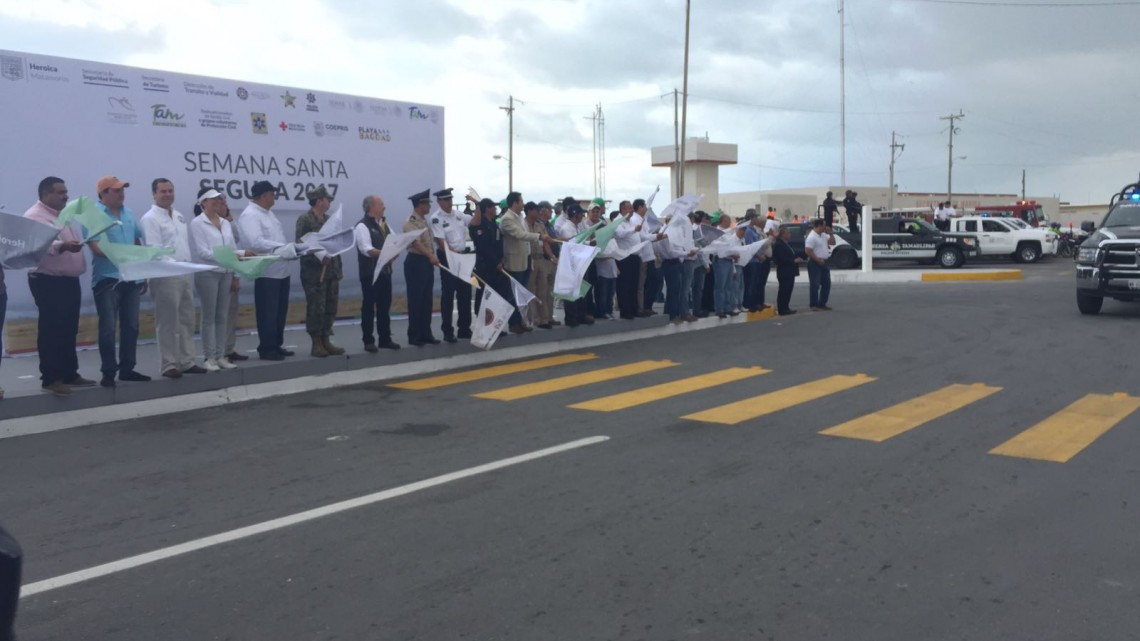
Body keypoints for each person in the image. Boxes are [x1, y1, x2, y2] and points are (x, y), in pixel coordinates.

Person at [24, 177, 94, 396]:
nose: (66, 195)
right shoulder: (34, 216)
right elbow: (38, 245)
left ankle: (69, 373)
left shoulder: (62, 215)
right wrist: (63, 246)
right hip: (48, 281)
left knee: (68, 327)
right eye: (60, 192)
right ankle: (51, 378)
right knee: (52, 329)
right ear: (46, 194)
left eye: (66, 191)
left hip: (67, 280)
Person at [140, 178, 206, 378]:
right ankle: (169, 364)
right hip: (165, 275)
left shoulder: (178, 216)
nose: (168, 194)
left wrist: (184, 265)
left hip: (184, 273)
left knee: (186, 319)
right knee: (168, 321)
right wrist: (176, 264)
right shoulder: (150, 218)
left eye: (170, 191)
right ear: (154, 194)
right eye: (163, 191)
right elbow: (154, 249)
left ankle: (187, 361)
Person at [89, 175, 150, 388]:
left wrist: (142, 271)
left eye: (122, 189)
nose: (121, 193)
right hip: (108, 279)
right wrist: (124, 256)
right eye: (116, 190)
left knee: (131, 326)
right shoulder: (93, 215)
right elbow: (96, 248)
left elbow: (136, 243)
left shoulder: (130, 213)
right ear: (103, 194)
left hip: (132, 277)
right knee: (107, 328)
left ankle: (127, 369)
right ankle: (108, 371)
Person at [236, 181, 299, 361]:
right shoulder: (250, 215)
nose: (275, 198)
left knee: (279, 311)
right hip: (266, 271)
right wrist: (284, 247)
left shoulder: (268, 213)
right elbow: (256, 242)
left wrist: (287, 250)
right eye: (272, 194)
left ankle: (277, 344)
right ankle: (266, 348)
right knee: (267, 312)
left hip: (281, 269)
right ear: (263, 196)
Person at [188, 188, 240, 370]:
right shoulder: (197, 223)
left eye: (219, 200)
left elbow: (233, 249)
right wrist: (227, 257)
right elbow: (202, 252)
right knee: (208, 317)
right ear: (203, 203)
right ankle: (209, 357)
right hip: (207, 273)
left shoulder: (226, 223)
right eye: (213, 200)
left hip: (225, 273)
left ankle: (221, 355)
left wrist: (235, 272)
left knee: (222, 316)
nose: (218, 202)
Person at [296, 186, 344, 358]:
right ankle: (316, 342)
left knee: (330, 306)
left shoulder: (330, 220)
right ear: (319, 200)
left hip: (331, 270)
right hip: (315, 273)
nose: (329, 202)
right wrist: (319, 256)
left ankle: (326, 339)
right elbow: (302, 244)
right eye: (327, 199)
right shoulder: (305, 220)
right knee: (316, 307)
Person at [355, 194, 400, 352]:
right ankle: (368, 340)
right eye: (381, 204)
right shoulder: (362, 226)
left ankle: (385, 338)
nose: (384, 207)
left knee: (384, 307)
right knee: (369, 307)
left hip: (385, 272)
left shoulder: (385, 225)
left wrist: (394, 254)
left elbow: (395, 242)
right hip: (370, 273)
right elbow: (366, 249)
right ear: (371, 207)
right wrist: (385, 254)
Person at [430, 187, 473, 343]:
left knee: (465, 294)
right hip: (448, 258)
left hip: (462, 257)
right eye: (446, 200)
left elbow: (475, 221)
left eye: (451, 199)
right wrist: (452, 254)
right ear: (439, 201)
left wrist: (478, 205)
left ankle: (464, 328)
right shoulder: (436, 218)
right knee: (448, 295)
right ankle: (448, 331)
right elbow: (440, 242)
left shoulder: (458, 215)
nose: (450, 202)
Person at [499, 191, 542, 333]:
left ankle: (521, 321)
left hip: (525, 260)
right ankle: (513, 323)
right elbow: (520, 235)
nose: (523, 204)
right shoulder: (507, 218)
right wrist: (539, 236)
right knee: (513, 295)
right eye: (521, 201)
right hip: (514, 261)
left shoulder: (519, 217)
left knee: (521, 294)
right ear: (515, 203)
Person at [403, 189, 441, 346]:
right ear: (420, 205)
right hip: (416, 262)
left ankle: (426, 333)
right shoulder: (410, 222)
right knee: (416, 300)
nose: (429, 206)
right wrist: (431, 256)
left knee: (427, 300)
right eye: (427, 203)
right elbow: (416, 243)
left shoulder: (425, 221)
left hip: (426, 263)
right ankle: (414, 335)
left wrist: (431, 257)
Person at [469, 197, 509, 317]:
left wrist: (501, 259)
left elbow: (498, 243)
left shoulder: (494, 224)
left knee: (496, 295)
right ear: (487, 209)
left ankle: (493, 323)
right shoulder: (480, 224)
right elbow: (484, 247)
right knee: (485, 293)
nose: (496, 209)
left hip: (497, 266)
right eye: (493, 207)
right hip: (485, 266)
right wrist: (496, 262)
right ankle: (482, 319)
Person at [219, 203, 247, 363]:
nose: (224, 205)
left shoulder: (227, 224)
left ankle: (229, 348)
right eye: (221, 202)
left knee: (231, 312)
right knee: (220, 315)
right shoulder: (203, 223)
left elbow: (236, 240)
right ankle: (219, 351)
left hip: (231, 271)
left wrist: (230, 220)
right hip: (217, 273)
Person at [527, 201, 557, 329]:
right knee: (530, 290)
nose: (537, 212)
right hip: (530, 259)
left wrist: (551, 256)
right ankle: (534, 319)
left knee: (543, 291)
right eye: (535, 210)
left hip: (541, 259)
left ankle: (545, 319)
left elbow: (545, 242)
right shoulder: (524, 224)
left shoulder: (540, 225)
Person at [613, 200, 642, 319]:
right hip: (624, 257)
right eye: (629, 209)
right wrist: (633, 229)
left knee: (633, 284)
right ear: (622, 210)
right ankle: (625, 311)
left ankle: (633, 309)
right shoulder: (617, 221)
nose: (631, 211)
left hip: (634, 256)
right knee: (624, 285)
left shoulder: (630, 221)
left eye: (631, 209)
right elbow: (620, 234)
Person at [805, 218, 836, 311]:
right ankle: (813, 304)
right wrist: (817, 259)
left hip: (825, 262)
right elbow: (808, 251)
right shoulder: (811, 237)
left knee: (826, 284)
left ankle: (822, 303)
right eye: (824, 225)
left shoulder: (823, 235)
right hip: (815, 262)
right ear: (819, 226)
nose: (825, 227)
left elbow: (833, 242)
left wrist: (830, 233)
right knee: (815, 284)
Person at [771, 226, 802, 315]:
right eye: (787, 233)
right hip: (784, 271)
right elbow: (781, 258)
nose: (789, 235)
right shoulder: (779, 244)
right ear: (783, 234)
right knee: (784, 290)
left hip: (790, 271)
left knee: (788, 290)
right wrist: (793, 261)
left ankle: (786, 307)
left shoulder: (786, 243)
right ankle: (782, 309)